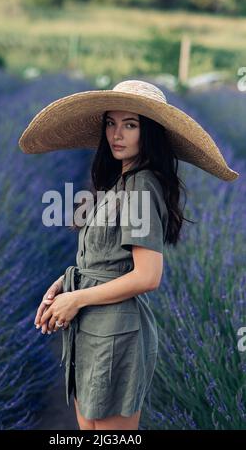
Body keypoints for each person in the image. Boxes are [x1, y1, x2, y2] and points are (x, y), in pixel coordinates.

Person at [19, 80, 239, 430]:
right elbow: (105, 257)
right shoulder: (119, 182)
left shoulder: (141, 185)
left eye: (130, 125)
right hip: (92, 326)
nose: (117, 134)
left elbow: (147, 276)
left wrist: (77, 298)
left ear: (148, 133)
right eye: (111, 123)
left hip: (116, 331)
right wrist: (64, 285)